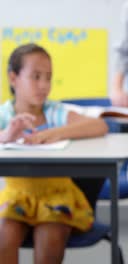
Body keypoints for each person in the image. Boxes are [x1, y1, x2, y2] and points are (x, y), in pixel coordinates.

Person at [0, 43, 108, 264]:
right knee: (3, 237)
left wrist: (55, 132)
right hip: (16, 196)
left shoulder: (54, 112)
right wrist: (6, 135)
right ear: (14, 78)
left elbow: (99, 126)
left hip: (56, 195)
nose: (44, 85)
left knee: (51, 237)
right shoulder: (5, 115)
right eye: (36, 76)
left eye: (48, 77)